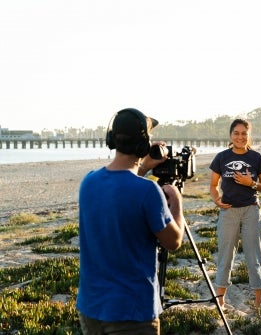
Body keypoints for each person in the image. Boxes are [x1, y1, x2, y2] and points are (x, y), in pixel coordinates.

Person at [76, 108, 186, 335]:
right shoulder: (148, 191)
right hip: (131, 312)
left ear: (111, 139)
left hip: (90, 307)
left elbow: (121, 190)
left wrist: (144, 167)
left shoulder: (89, 182)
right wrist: (176, 199)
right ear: (143, 145)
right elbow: (173, 241)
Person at [209, 118, 261, 310]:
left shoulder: (256, 158)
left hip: (251, 210)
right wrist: (216, 199)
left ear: (249, 135)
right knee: (225, 256)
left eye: (244, 133)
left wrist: (250, 183)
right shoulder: (221, 157)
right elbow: (212, 185)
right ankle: (220, 301)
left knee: (254, 256)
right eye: (236, 133)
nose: (240, 137)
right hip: (228, 212)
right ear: (230, 135)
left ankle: (259, 301)